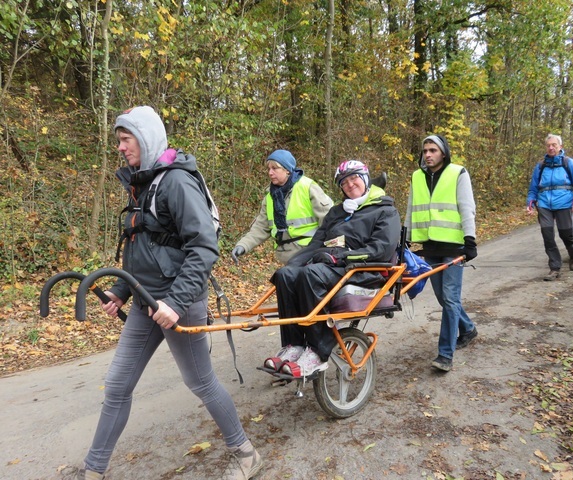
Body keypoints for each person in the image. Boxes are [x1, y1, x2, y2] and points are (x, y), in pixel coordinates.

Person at [76, 106, 262, 480]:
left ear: (145, 138)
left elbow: (204, 247)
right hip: (147, 301)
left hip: (179, 301)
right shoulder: (142, 184)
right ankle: (93, 470)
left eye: (126, 139)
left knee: (201, 382)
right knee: (117, 385)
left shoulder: (175, 182)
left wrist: (176, 303)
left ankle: (246, 454)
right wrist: (119, 292)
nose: (120, 147)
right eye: (118, 140)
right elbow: (140, 251)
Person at [263, 160, 401, 378]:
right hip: (332, 267)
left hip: (363, 270)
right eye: (344, 182)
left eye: (354, 178)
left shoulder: (385, 211)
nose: (350, 184)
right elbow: (316, 244)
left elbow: (381, 250)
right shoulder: (337, 212)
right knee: (286, 275)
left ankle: (318, 352)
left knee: (311, 274)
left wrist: (341, 256)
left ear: (365, 179)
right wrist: (293, 265)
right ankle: (294, 345)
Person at [404, 134, 478, 373]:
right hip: (430, 247)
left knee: (449, 298)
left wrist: (470, 239)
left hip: (454, 247)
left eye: (433, 150)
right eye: (425, 150)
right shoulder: (417, 176)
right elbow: (411, 207)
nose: (428, 154)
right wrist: (405, 237)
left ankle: (445, 354)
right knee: (444, 299)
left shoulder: (458, 173)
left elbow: (467, 207)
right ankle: (467, 328)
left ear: (443, 152)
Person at [231, 149, 333, 265]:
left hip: (310, 257)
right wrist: (243, 246)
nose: (270, 173)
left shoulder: (307, 188)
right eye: (268, 169)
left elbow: (329, 222)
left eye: (274, 168)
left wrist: (329, 252)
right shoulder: (270, 197)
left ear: (287, 170)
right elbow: (260, 227)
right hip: (287, 260)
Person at [527, 134, 573, 280]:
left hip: (564, 203)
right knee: (547, 236)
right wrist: (530, 203)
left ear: (560, 146)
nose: (551, 147)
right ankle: (554, 268)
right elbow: (533, 189)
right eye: (548, 145)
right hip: (543, 204)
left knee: (565, 234)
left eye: (554, 145)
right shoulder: (540, 166)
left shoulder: (569, 163)